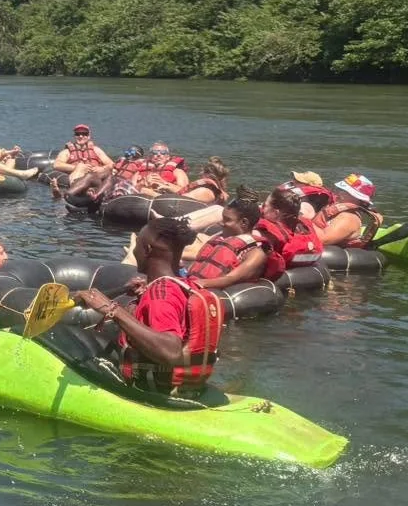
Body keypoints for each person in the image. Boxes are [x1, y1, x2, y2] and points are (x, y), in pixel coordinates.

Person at [73, 218, 224, 398]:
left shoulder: (160, 294)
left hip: (154, 393)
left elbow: (171, 352)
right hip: (187, 390)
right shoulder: (184, 285)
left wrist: (112, 310)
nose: (134, 250)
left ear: (147, 249)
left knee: (73, 343)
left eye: (137, 244)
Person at [183, 199, 268, 289]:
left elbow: (230, 279)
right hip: (191, 283)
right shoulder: (219, 241)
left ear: (244, 222)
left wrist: (192, 285)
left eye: (227, 220)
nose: (221, 223)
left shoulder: (256, 254)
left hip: (205, 290)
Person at [255, 186, 326, 280]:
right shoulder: (305, 224)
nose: (262, 208)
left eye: (264, 205)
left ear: (276, 213)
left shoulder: (267, 233)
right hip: (308, 261)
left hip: (279, 267)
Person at [312, 173, 383, 248]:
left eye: (344, 191)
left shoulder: (349, 218)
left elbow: (323, 239)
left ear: (357, 198)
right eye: (339, 189)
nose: (338, 193)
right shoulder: (341, 212)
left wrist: (304, 219)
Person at [58, 146, 146, 204]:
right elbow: (112, 168)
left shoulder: (141, 164)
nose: (129, 155)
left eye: (132, 153)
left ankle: (95, 198)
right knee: (91, 175)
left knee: (111, 177)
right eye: (128, 152)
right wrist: (103, 169)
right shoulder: (121, 161)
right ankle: (67, 194)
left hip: (122, 186)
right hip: (110, 183)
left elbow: (138, 180)